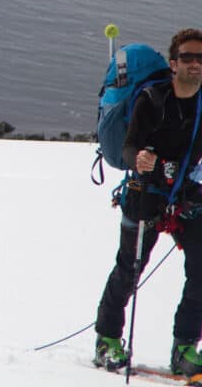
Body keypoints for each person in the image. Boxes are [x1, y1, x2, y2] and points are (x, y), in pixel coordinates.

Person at [94, 28, 202, 374]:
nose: (195, 64)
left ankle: (184, 347)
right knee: (129, 270)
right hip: (146, 195)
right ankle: (106, 341)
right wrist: (138, 158)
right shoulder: (153, 99)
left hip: (185, 196)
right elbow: (128, 145)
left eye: (201, 58)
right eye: (188, 57)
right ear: (173, 64)